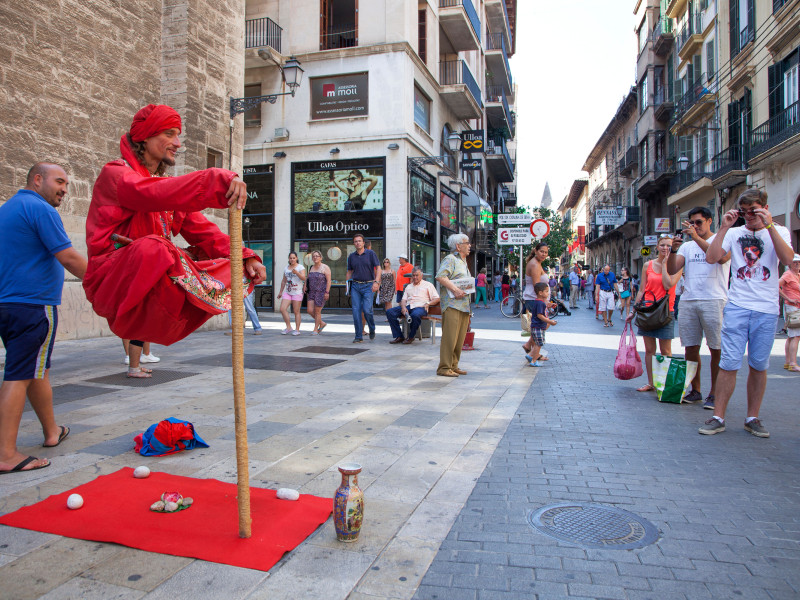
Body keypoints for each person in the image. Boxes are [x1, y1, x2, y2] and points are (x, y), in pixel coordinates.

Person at [83, 104, 265, 351]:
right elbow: (151, 193)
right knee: (156, 248)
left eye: (177, 135)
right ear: (144, 138)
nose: (177, 143)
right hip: (113, 280)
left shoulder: (165, 189)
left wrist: (245, 257)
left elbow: (204, 231)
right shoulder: (116, 174)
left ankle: (187, 305)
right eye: (168, 134)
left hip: (150, 283)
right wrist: (216, 180)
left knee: (221, 262)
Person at [0, 163, 87, 474]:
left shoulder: (8, 208)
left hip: (8, 305)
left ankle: (52, 432)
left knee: (37, 370)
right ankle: (6, 453)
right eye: (59, 181)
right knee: (19, 375)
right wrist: (104, 284)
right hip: (33, 305)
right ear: (37, 180)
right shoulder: (41, 209)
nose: (65, 189)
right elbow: (68, 257)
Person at [699, 188, 795, 437]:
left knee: (759, 365)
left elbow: (786, 258)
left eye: (754, 211)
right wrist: (723, 227)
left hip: (766, 309)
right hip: (738, 306)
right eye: (745, 212)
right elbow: (711, 258)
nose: (749, 216)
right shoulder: (734, 233)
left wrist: (769, 225)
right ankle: (718, 416)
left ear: (764, 207)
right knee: (729, 363)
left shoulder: (780, 230)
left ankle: (752, 417)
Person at [666, 207, 731, 408]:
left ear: (710, 221)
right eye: (692, 223)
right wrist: (674, 250)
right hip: (689, 300)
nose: (694, 226)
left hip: (714, 299)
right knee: (691, 348)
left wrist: (695, 237)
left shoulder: (723, 240)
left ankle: (715, 393)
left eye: (699, 222)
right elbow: (671, 269)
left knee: (716, 348)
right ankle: (696, 390)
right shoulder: (687, 247)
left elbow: (718, 258)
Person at [628, 235, 682, 393]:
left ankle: (665, 383)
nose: (665, 248)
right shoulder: (648, 265)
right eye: (663, 245)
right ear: (657, 247)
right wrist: (634, 311)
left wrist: (665, 265)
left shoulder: (677, 266)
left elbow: (668, 284)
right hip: (648, 311)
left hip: (666, 312)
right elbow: (642, 289)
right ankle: (651, 383)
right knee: (649, 350)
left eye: (669, 246)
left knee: (666, 351)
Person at [436, 233, 472, 377]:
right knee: (450, 338)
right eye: (467, 243)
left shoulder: (463, 262)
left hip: (463, 305)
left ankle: (453, 365)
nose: (469, 245)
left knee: (459, 338)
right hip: (452, 304)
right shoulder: (451, 259)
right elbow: (440, 276)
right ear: (458, 246)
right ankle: (444, 367)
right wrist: (455, 290)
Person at [386, 267, 440, 344]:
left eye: (417, 275)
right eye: (413, 275)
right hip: (409, 306)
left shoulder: (428, 285)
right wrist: (403, 307)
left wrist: (428, 303)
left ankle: (411, 337)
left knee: (415, 315)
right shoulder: (409, 286)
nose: (415, 277)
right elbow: (403, 300)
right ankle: (399, 336)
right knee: (390, 312)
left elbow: (437, 298)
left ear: (421, 275)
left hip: (421, 307)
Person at [347, 233, 381, 343]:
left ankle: (372, 328)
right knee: (356, 311)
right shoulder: (351, 256)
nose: (358, 243)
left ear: (363, 243)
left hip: (369, 285)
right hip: (356, 286)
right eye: (355, 241)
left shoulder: (370, 253)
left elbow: (379, 269)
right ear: (354, 243)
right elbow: (349, 272)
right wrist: (347, 286)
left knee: (367, 310)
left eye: (359, 241)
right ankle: (358, 336)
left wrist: (377, 282)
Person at [522, 242, 549, 356]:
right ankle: (532, 350)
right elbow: (537, 285)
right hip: (534, 299)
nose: (543, 254)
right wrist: (544, 301)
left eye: (546, 252)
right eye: (541, 251)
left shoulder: (537, 262)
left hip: (534, 299)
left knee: (537, 325)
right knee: (541, 325)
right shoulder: (534, 264)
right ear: (536, 251)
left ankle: (532, 350)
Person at [525, 283, 557, 367]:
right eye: (546, 291)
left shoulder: (538, 302)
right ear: (540, 293)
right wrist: (550, 322)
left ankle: (531, 356)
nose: (548, 293)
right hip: (538, 327)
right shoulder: (540, 303)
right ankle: (534, 360)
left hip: (536, 326)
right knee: (539, 344)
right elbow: (540, 315)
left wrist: (548, 306)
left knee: (537, 344)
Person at [779, 254, 800, 372]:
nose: (797, 264)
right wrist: (788, 298)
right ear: (790, 264)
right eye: (795, 262)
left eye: (799, 262)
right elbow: (776, 286)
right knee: (796, 335)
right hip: (793, 307)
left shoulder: (797, 275)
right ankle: (793, 363)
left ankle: (788, 362)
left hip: (795, 307)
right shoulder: (788, 274)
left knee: (791, 335)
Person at [278, 251, 305, 335]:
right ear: (289, 259)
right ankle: (289, 327)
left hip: (297, 292)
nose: (292, 259)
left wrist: (297, 273)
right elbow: (283, 281)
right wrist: (280, 292)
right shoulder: (286, 268)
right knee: (282, 309)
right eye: (291, 258)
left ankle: (297, 330)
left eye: (294, 258)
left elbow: (304, 278)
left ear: (296, 258)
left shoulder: (300, 267)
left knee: (296, 311)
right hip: (288, 292)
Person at [305, 250, 331, 335]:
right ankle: (322, 323)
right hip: (311, 292)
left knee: (317, 311)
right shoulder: (311, 267)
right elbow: (307, 278)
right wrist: (305, 286)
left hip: (321, 292)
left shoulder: (325, 267)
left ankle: (315, 329)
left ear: (321, 258)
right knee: (309, 310)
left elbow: (329, 281)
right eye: (313, 256)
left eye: (317, 256)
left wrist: (327, 292)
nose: (315, 257)